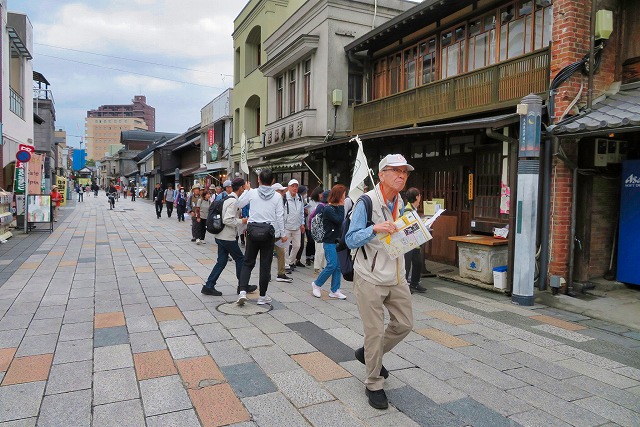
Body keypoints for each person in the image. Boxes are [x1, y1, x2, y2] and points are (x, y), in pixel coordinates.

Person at [345, 154, 414, 410]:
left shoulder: (401, 201)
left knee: (405, 324)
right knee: (374, 332)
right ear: (381, 174)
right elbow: (351, 239)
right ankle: (373, 383)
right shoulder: (366, 201)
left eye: (405, 172)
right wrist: (374, 229)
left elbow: (401, 234)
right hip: (370, 277)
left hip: (396, 275)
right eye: (396, 171)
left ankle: (368, 353)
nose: (402, 176)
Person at [235, 168, 286, 306]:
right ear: (273, 181)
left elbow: (238, 204)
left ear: (258, 180)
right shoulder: (277, 196)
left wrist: (246, 190)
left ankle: (242, 291)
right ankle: (262, 296)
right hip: (268, 232)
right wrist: (282, 234)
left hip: (252, 230)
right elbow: (279, 216)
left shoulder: (252, 192)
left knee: (248, 262)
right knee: (265, 264)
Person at [202, 178, 253, 296]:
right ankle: (242, 286)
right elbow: (227, 220)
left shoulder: (228, 198)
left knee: (222, 261)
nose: (244, 189)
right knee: (240, 259)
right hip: (227, 237)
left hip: (220, 235)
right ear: (240, 188)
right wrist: (242, 221)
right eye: (244, 187)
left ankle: (209, 285)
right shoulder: (233, 201)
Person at [311, 184, 347, 300]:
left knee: (337, 267)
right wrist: (342, 206)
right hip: (329, 241)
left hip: (337, 241)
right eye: (343, 195)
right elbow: (339, 220)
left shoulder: (335, 208)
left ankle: (335, 290)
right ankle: (316, 284)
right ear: (338, 196)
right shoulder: (328, 209)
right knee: (331, 265)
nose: (345, 197)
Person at [403, 187, 428, 294]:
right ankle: (405, 287)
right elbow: (407, 227)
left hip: (415, 242)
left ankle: (415, 283)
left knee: (418, 263)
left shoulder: (413, 209)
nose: (420, 198)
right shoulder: (407, 210)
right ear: (417, 197)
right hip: (409, 242)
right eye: (419, 196)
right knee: (407, 265)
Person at [272, 183, 293, 283]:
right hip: (270, 232)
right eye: (280, 191)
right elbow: (279, 218)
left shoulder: (282, 201)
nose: (283, 193)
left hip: (278, 233)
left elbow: (282, 218)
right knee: (267, 255)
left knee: (281, 253)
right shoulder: (272, 202)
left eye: (283, 191)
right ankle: (266, 274)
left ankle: (281, 273)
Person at [283, 179, 305, 271]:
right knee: (285, 247)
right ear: (288, 187)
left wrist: (302, 223)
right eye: (293, 186)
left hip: (297, 226)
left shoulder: (299, 197)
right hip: (286, 226)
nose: (295, 188)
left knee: (297, 245)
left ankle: (291, 261)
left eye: (296, 186)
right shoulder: (284, 197)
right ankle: (286, 265)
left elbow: (301, 212)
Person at [309, 190, 329, 273]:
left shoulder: (325, 205)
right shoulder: (321, 206)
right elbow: (317, 219)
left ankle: (323, 266)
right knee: (320, 250)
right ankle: (317, 267)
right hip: (320, 232)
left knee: (323, 250)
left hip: (324, 231)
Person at [305, 187, 323, 265]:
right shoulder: (308, 200)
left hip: (317, 226)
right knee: (310, 241)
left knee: (315, 241)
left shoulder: (321, 203)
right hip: (308, 224)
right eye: (320, 194)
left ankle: (313, 256)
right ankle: (308, 257)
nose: (321, 196)